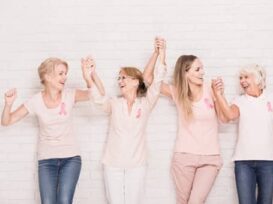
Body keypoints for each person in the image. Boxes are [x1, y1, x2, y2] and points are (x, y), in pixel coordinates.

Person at [144, 38, 226, 204]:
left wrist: (220, 95)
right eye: (197, 69)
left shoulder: (210, 89)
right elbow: (147, 78)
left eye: (202, 68)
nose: (203, 72)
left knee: (195, 201)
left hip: (210, 158)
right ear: (185, 73)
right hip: (184, 158)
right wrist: (159, 54)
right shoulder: (177, 93)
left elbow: (224, 119)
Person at [1, 57, 93, 204]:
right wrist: (8, 104)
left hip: (71, 158)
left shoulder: (69, 95)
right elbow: (6, 121)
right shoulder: (35, 101)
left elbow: (93, 94)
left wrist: (87, 77)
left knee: (64, 201)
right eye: (61, 73)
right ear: (47, 77)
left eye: (65, 73)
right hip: (46, 160)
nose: (65, 77)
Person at [85, 44, 167, 204]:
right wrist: (90, 76)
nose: (120, 81)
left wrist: (160, 54)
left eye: (123, 77)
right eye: (119, 78)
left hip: (137, 165)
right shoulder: (114, 103)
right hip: (112, 164)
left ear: (136, 82)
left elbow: (157, 82)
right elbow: (98, 98)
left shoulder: (146, 104)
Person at [211, 64, 273, 204]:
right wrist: (218, 94)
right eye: (240, 77)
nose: (242, 80)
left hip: (270, 162)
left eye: (246, 77)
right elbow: (228, 116)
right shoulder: (239, 101)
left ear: (258, 79)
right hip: (244, 162)